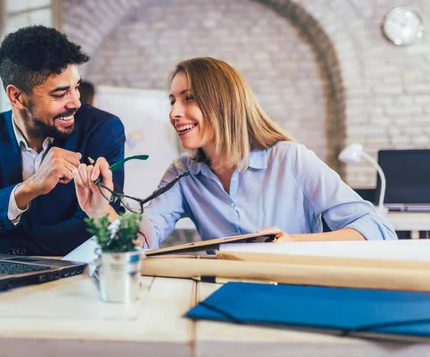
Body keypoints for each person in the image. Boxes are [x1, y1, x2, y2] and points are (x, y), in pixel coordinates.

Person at [72, 57, 397, 249]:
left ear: (222, 102)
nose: (174, 112)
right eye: (172, 101)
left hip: (298, 297)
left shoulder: (290, 159)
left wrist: (292, 244)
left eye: (188, 98)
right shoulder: (182, 174)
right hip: (224, 301)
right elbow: (139, 245)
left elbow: (379, 230)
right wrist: (100, 211)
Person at [0, 26, 125, 256]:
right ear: (17, 97)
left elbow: (96, 226)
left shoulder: (103, 130)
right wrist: (26, 190)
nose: (76, 102)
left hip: (74, 278)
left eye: (76, 88)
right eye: (60, 94)